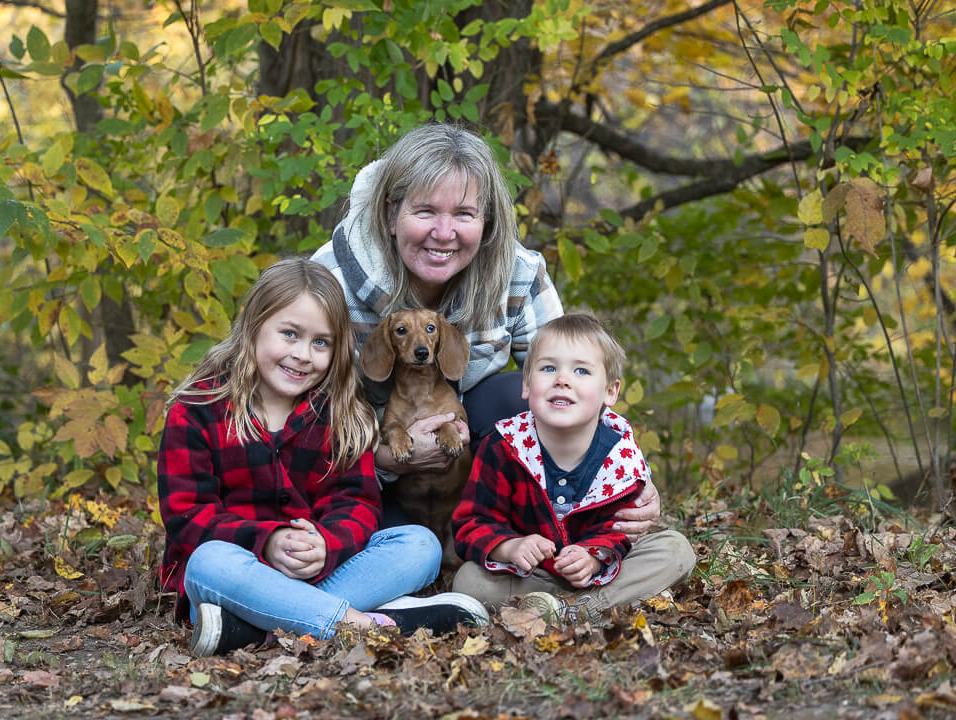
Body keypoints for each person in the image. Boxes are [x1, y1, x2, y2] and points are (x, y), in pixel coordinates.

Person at [312, 123, 667, 541]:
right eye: (425, 211)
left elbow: (576, 379)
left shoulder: (519, 273)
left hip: (476, 478)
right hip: (367, 473)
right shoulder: (329, 281)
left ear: (485, 221)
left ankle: (517, 531)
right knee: (407, 553)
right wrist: (387, 461)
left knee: (513, 392)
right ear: (392, 214)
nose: (443, 235)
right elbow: (297, 411)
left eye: (463, 214)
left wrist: (628, 473)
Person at [157, 258, 488, 657]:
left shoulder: (339, 413)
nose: (302, 354)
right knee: (208, 562)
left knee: (420, 545)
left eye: (320, 342)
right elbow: (186, 515)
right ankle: (362, 624)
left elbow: (358, 504)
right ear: (253, 326)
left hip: (319, 570)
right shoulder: (198, 408)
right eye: (290, 334)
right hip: (236, 572)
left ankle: (252, 626)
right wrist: (267, 541)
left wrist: (326, 545)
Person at [451, 314, 696, 624]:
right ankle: (563, 607)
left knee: (675, 549)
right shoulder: (503, 446)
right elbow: (472, 521)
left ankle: (579, 610)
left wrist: (594, 557)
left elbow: (620, 529)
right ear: (527, 385)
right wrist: (510, 547)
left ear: (610, 391)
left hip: (605, 574)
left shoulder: (618, 455)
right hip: (531, 575)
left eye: (581, 370)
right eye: (548, 368)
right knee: (469, 580)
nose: (562, 379)